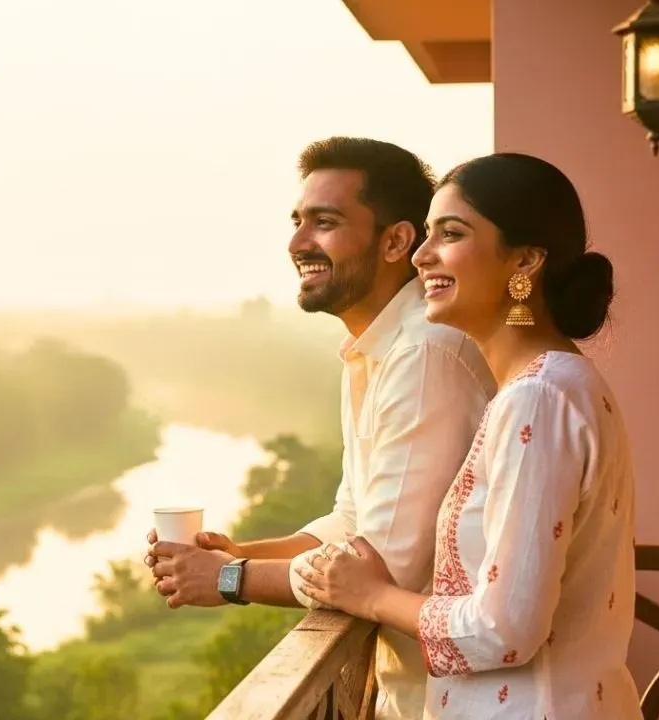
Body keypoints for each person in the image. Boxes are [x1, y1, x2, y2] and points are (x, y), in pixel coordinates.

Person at [145, 137, 495, 719]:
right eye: (298, 221)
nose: (298, 243)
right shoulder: (372, 350)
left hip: (455, 700)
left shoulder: (425, 353)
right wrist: (237, 552)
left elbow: (381, 563)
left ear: (395, 241)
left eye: (325, 223)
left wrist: (233, 579)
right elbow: (354, 518)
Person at [296, 152, 641, 719]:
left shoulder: (540, 397)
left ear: (525, 261)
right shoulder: (555, 385)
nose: (421, 255)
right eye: (426, 233)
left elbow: (503, 629)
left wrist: (373, 596)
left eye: (451, 234)